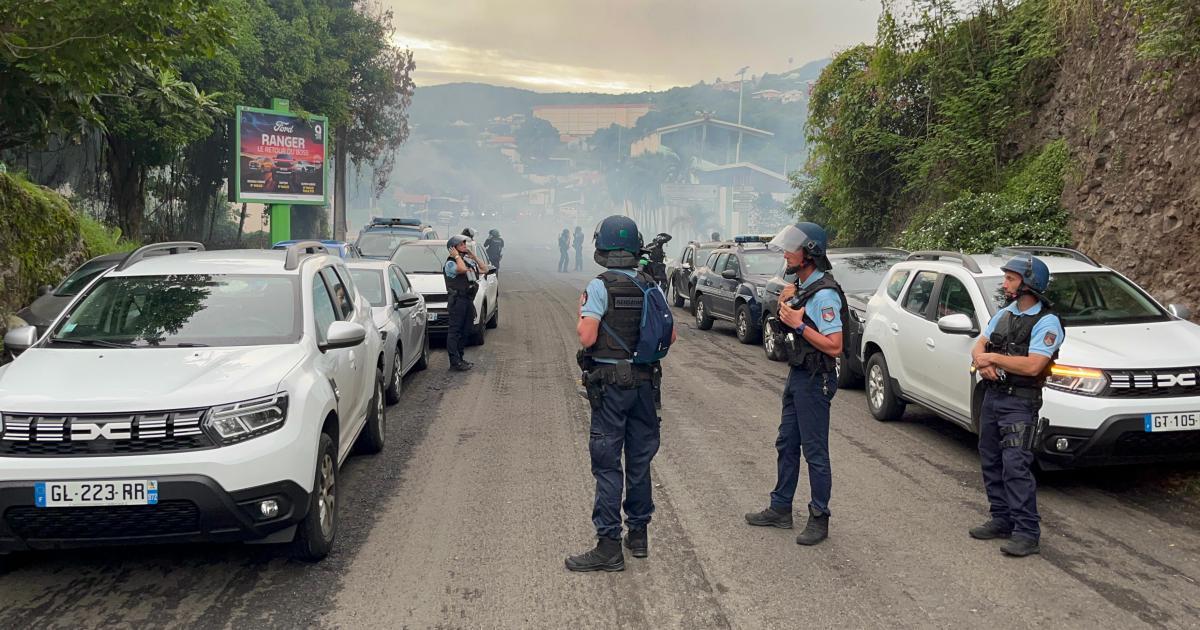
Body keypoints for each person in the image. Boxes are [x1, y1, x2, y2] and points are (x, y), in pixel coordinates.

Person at [566, 215, 677, 573]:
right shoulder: (650, 284)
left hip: (611, 387)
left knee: (608, 463)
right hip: (646, 385)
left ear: (603, 246)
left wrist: (585, 316)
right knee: (640, 461)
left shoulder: (599, 286)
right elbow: (670, 337)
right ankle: (639, 536)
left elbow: (586, 337)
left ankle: (609, 545)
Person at [745, 222, 846, 546]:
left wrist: (800, 325)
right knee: (786, 443)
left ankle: (820, 518)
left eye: (793, 248)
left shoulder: (825, 293)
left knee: (815, 452)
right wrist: (790, 302)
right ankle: (780, 508)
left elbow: (834, 345)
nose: (786, 253)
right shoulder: (804, 288)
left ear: (811, 253)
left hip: (816, 380)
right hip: (799, 375)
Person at [968, 255, 1063, 558]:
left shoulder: (1047, 322)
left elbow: (1034, 365)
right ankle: (1002, 518)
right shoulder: (1007, 312)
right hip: (993, 396)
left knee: (1015, 465)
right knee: (991, 458)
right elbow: (980, 344)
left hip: (1020, 403)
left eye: (1010, 278)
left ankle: (1027, 532)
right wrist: (982, 364)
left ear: (1028, 284)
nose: (1004, 283)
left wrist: (992, 359)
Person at [443, 235, 489, 371]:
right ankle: (454, 361)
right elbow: (462, 270)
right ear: (453, 248)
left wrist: (472, 255)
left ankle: (460, 358)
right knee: (454, 331)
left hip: (467, 301)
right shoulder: (451, 263)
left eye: (465, 244)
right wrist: (457, 256)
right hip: (457, 302)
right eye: (461, 244)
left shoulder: (466, 261)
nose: (465, 246)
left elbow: (484, 269)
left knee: (466, 330)